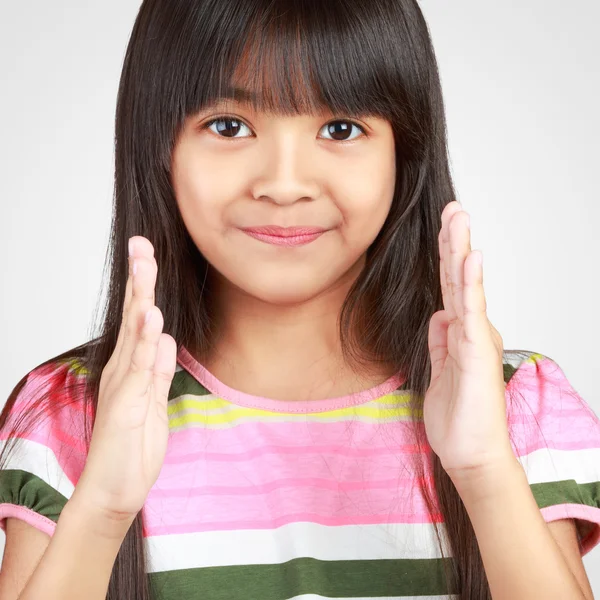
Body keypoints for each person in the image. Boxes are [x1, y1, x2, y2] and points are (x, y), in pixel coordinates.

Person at [0, 0, 599, 599]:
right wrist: (101, 512)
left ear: (405, 151)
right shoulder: (73, 414)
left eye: (340, 129)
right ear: (159, 145)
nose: (284, 185)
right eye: (229, 126)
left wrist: (487, 474)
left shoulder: (514, 409)